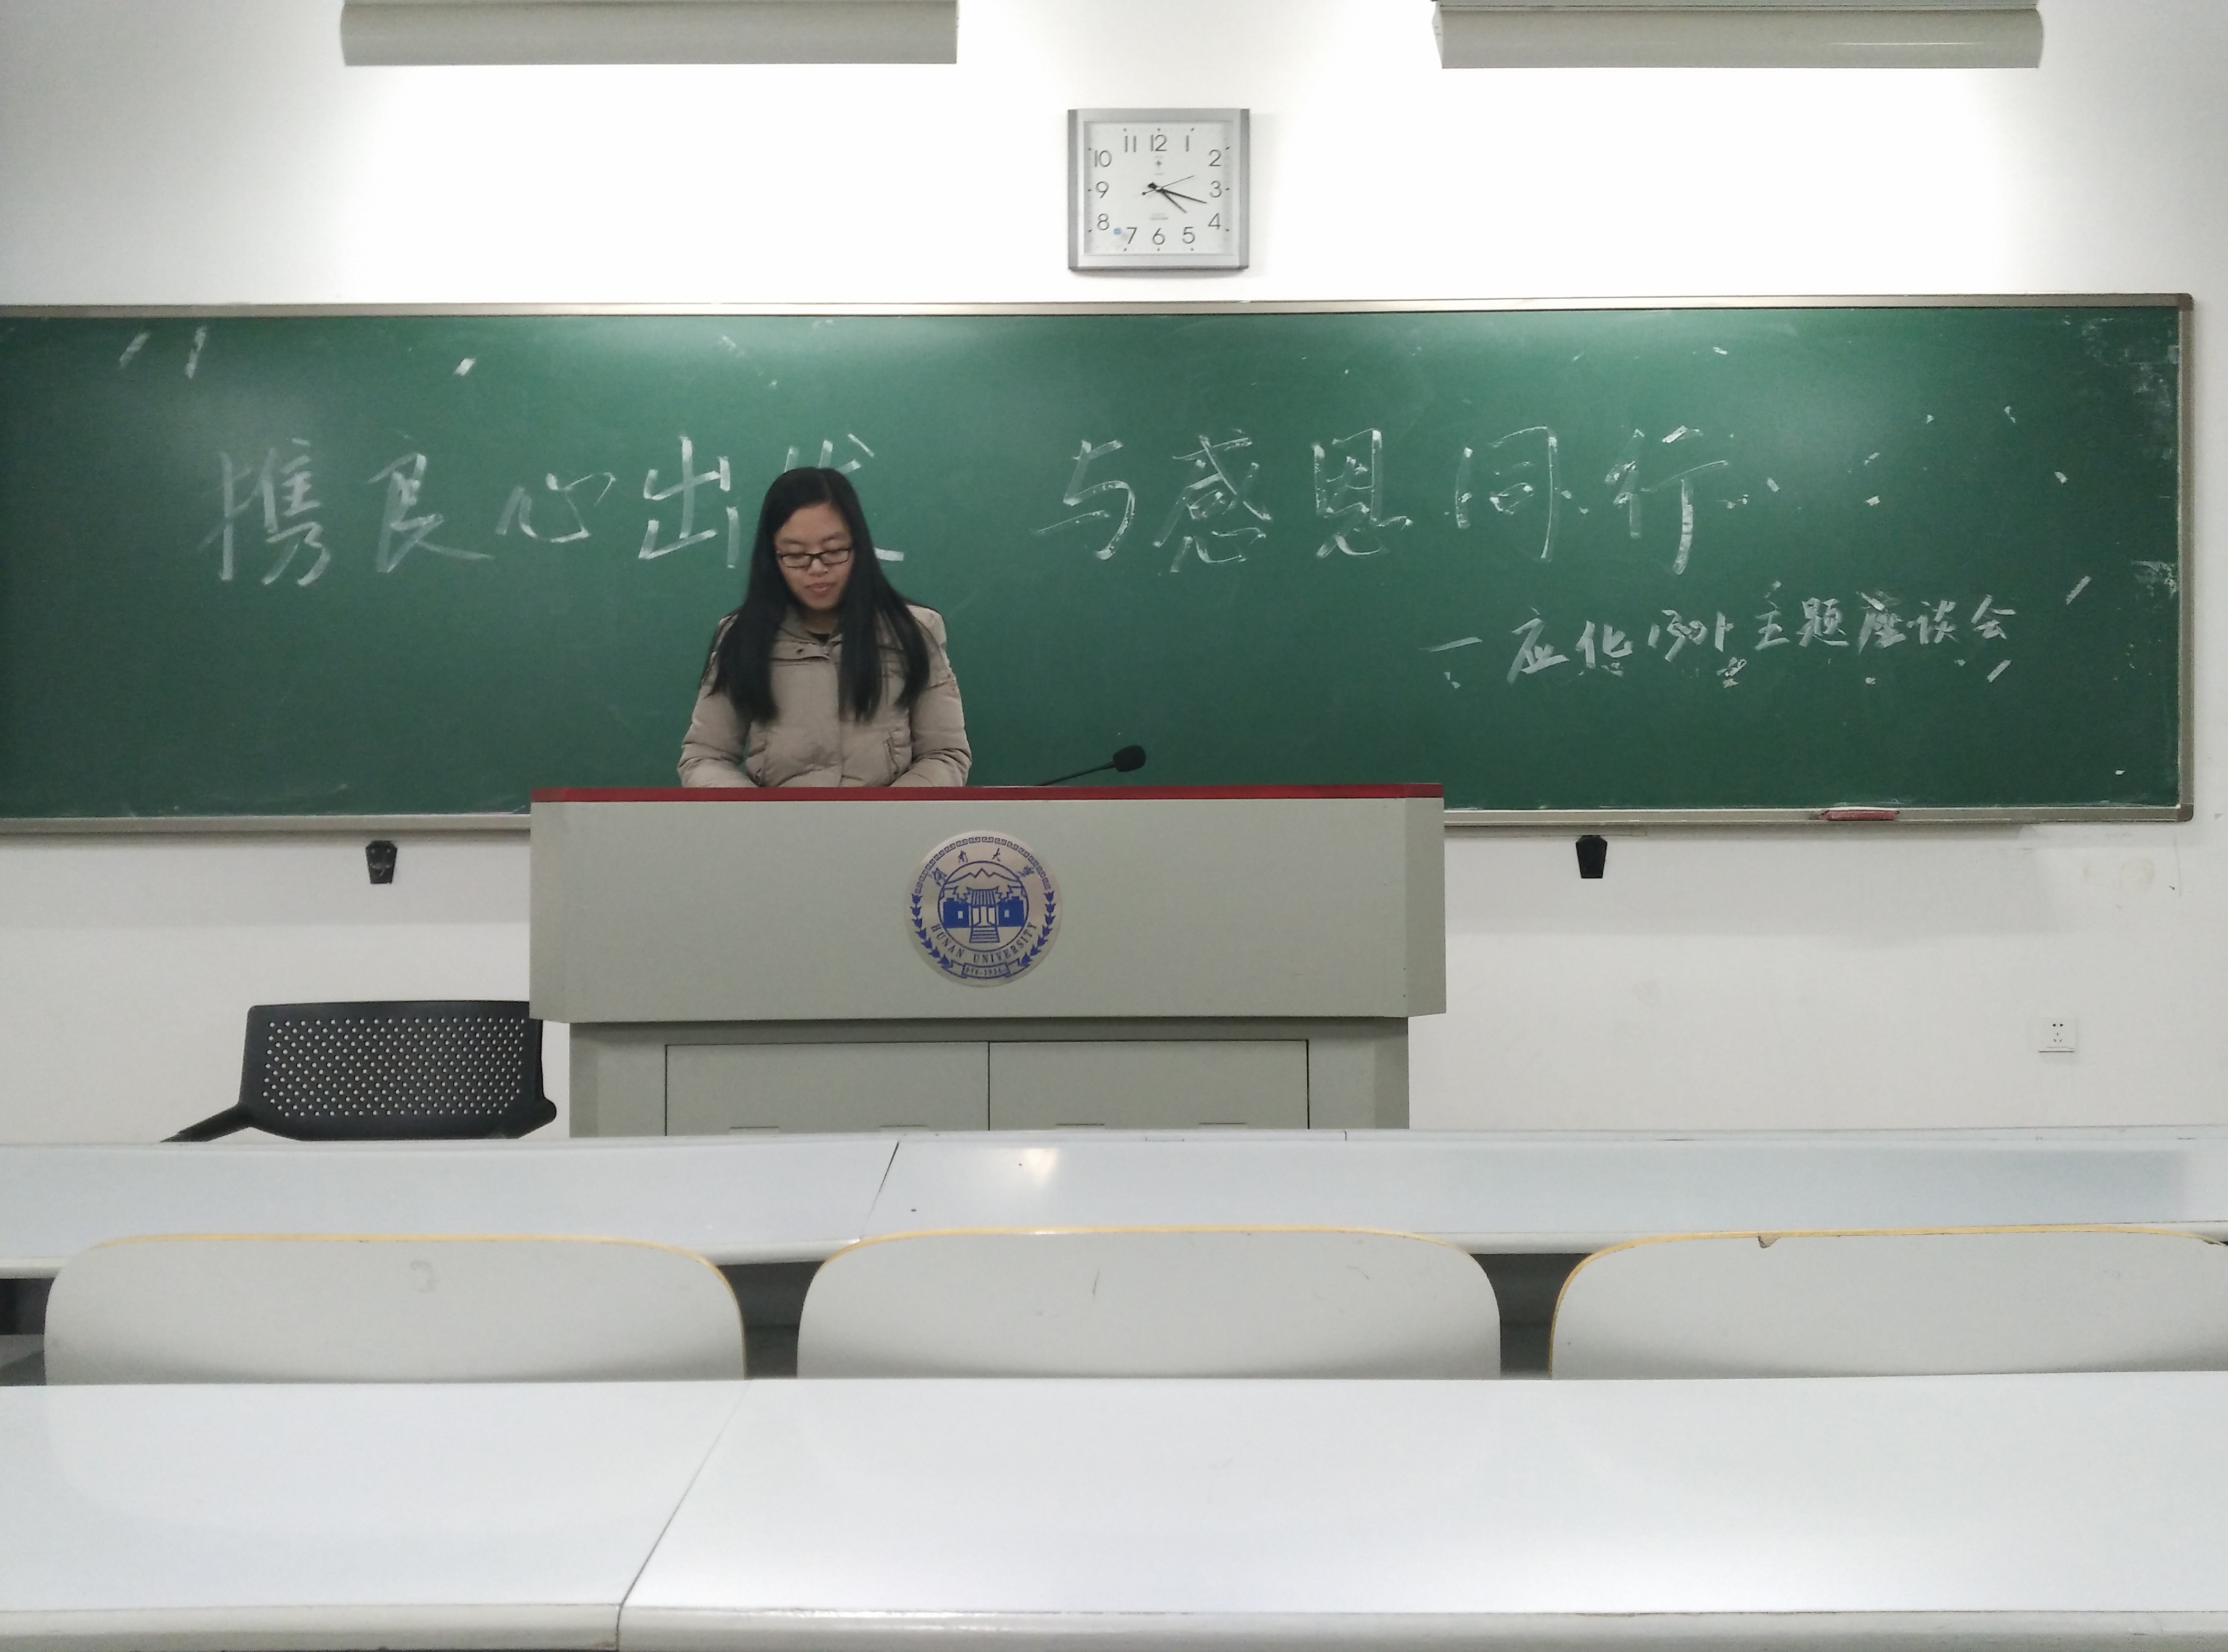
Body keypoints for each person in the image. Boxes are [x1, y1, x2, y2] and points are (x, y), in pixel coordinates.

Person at [678, 468, 971, 788]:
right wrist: (761, 812)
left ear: (859, 547)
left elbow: (945, 755)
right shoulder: (742, 637)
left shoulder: (913, 632)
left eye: (833, 551)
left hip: (888, 819)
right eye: (795, 555)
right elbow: (705, 757)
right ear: (772, 557)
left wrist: (887, 811)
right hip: (777, 820)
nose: (817, 568)